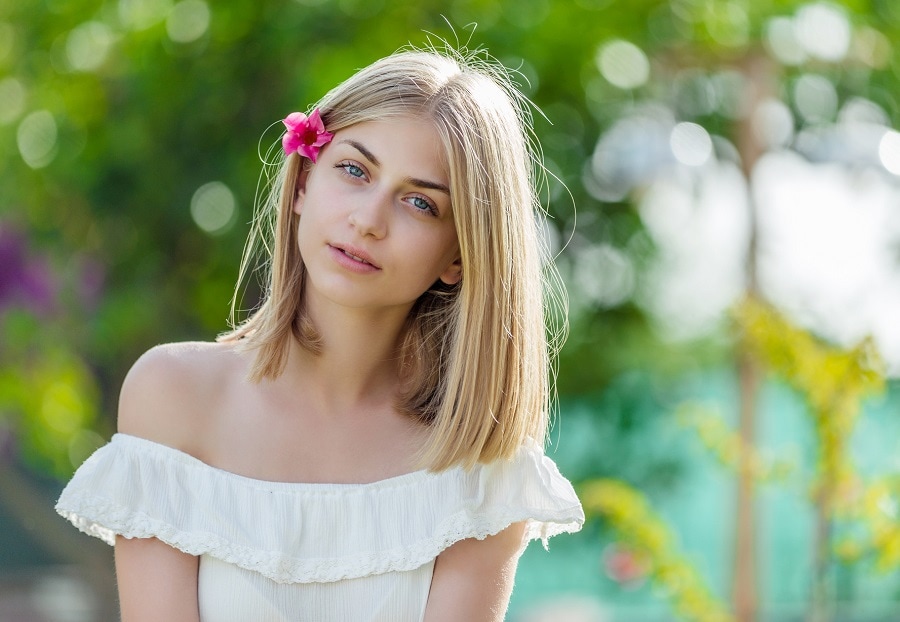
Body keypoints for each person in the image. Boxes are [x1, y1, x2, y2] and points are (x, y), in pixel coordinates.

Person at [56, 43, 584, 621]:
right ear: (304, 183)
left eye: (420, 203)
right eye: (354, 170)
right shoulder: (174, 396)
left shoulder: (479, 462)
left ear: (459, 256)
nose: (368, 220)